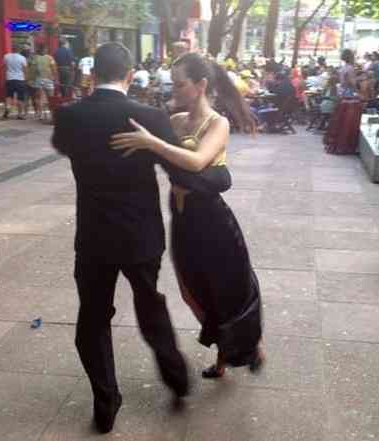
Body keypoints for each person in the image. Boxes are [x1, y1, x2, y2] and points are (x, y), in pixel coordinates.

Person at [51, 42, 231, 434]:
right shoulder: (147, 116)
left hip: (94, 235)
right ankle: (176, 377)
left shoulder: (69, 117)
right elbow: (182, 173)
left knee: (93, 315)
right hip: (140, 235)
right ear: (130, 75)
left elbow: (64, 146)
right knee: (150, 303)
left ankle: (105, 400)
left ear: (92, 73)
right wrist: (221, 178)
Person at [109, 51, 264, 380]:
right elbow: (142, 127)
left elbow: (196, 162)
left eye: (180, 85)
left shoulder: (217, 123)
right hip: (183, 220)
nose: (174, 91)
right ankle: (230, 346)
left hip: (213, 222)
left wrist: (153, 143)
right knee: (194, 289)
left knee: (227, 288)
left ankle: (243, 347)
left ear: (201, 85)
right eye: (172, 84)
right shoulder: (176, 120)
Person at [32, 43, 57, 118]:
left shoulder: (35, 58)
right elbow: (54, 69)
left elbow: (33, 70)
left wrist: (32, 79)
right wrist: (55, 78)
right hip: (48, 79)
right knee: (51, 98)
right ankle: (52, 114)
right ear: (45, 49)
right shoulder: (50, 58)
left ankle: (40, 114)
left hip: (39, 79)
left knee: (38, 97)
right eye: (46, 49)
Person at [3, 45, 28, 119]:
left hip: (9, 79)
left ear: (12, 49)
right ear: (19, 50)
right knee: (20, 98)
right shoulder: (22, 58)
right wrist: (26, 79)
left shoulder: (6, 56)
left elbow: (4, 66)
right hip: (20, 79)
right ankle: (19, 114)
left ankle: (7, 108)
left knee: (9, 96)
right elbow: (25, 70)